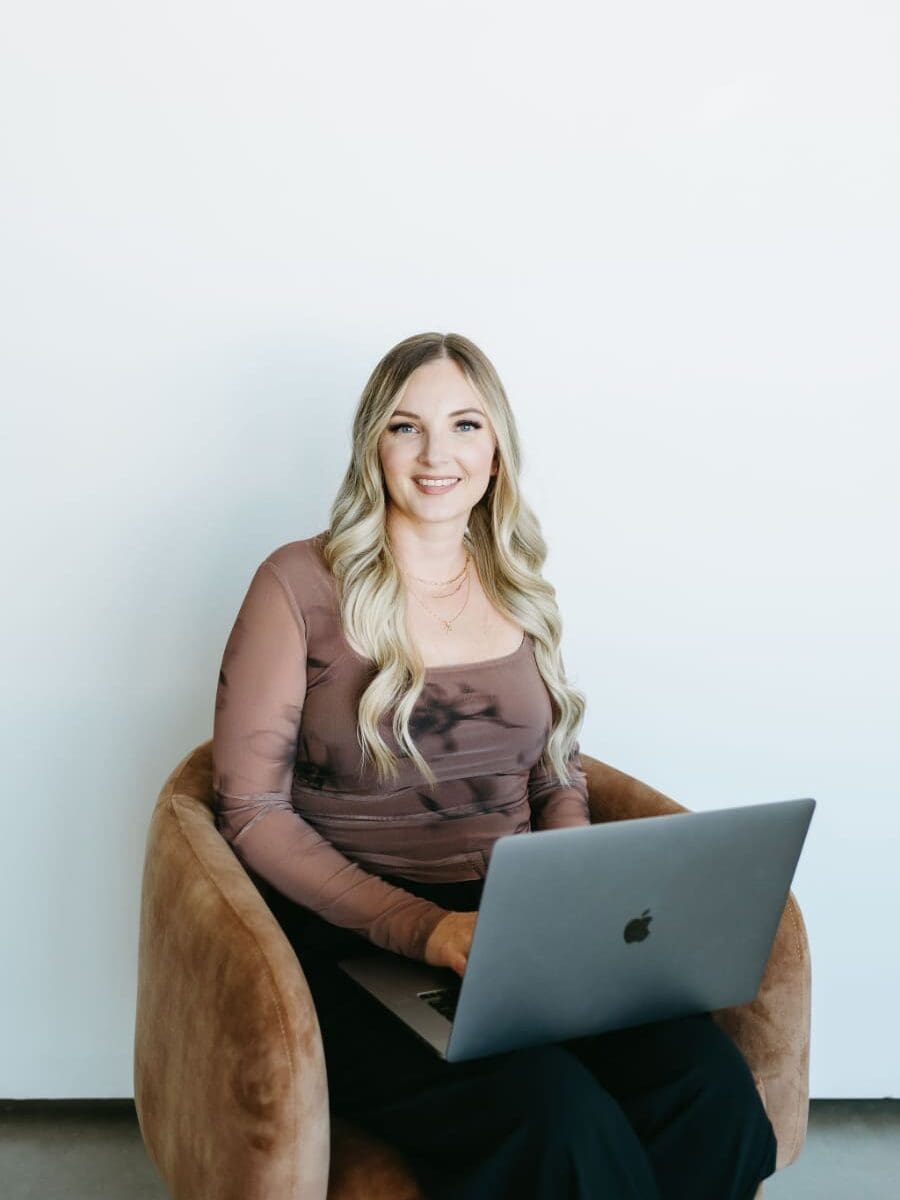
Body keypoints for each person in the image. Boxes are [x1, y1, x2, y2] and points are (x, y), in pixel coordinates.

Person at [211, 331, 778, 1200]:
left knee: (712, 1091)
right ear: (373, 445)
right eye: (407, 427)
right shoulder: (298, 584)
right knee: (559, 1123)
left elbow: (556, 775)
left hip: (518, 940)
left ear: (498, 447)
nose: (439, 454)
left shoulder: (516, 582)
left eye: (466, 425)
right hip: (356, 953)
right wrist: (425, 929)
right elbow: (250, 810)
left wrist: (567, 901)